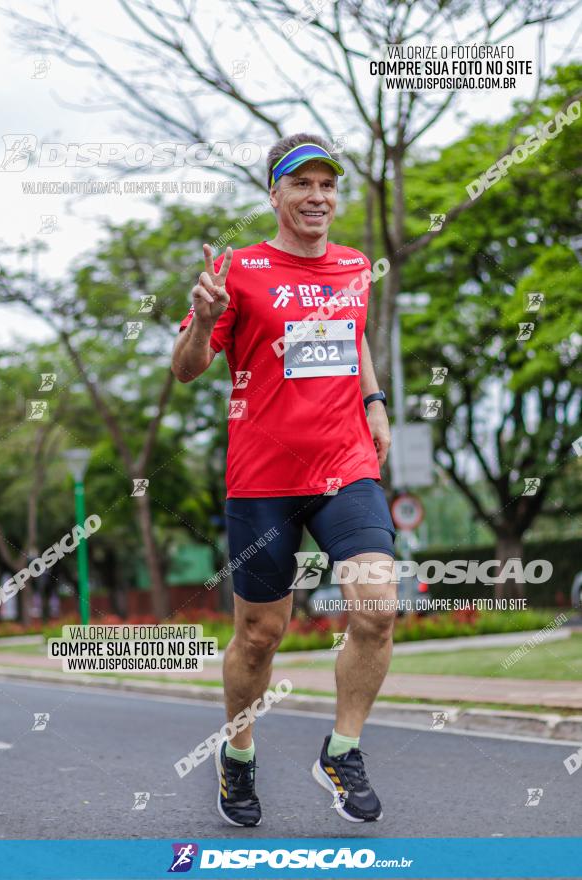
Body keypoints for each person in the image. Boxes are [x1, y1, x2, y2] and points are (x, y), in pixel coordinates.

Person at [172, 133, 398, 826]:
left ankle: (342, 750)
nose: (317, 197)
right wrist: (204, 320)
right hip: (262, 477)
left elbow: (351, 331)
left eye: (327, 185)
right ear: (275, 194)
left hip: (344, 466)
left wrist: (374, 401)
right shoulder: (235, 269)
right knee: (261, 635)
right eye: (301, 184)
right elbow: (185, 368)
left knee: (377, 605)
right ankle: (236, 756)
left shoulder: (356, 265)